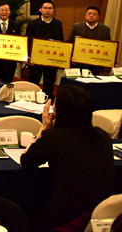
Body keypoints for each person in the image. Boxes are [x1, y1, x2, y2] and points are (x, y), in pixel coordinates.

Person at [21, 85, 115, 230]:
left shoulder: (54, 137)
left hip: (68, 220)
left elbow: (26, 161)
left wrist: (43, 129)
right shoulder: (102, 136)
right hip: (104, 218)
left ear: (59, 112)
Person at [26, 0, 64, 98]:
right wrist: (28, 56)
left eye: (50, 8)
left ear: (53, 10)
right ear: (40, 9)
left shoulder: (58, 24)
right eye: (45, 8)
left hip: (51, 60)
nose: (47, 10)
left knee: (49, 84)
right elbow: (28, 41)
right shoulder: (33, 24)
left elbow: (61, 42)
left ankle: (48, 103)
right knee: (34, 83)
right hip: (35, 60)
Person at [67, 6, 112, 76]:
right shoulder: (76, 27)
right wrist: (70, 56)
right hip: (79, 62)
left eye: (94, 14)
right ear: (85, 15)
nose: (91, 16)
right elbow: (69, 42)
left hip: (96, 63)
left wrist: (112, 61)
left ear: (98, 17)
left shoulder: (105, 29)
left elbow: (109, 46)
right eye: (89, 14)